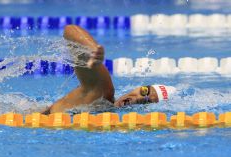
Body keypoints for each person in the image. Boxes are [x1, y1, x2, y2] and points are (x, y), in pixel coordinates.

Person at [42, 25, 176, 115]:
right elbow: (70, 30)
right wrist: (91, 48)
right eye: (144, 91)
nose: (139, 98)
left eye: (148, 102)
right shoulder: (102, 94)